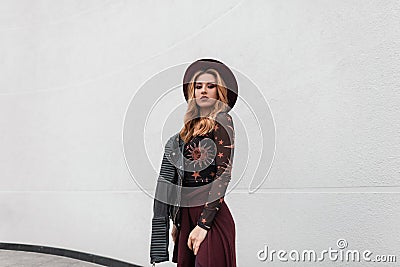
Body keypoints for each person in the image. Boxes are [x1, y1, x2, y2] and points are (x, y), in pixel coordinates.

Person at [170, 58, 239, 267]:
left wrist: (203, 225)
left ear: (219, 92)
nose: (204, 91)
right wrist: (178, 221)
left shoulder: (222, 120)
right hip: (187, 215)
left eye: (211, 86)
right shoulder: (190, 128)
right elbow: (183, 178)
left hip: (210, 216)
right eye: (198, 86)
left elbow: (223, 175)